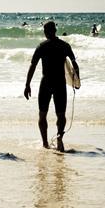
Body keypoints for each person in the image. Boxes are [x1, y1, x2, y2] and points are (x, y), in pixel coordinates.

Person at [24, 21, 80, 152]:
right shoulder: (65, 46)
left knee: (42, 115)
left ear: (46, 31)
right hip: (60, 84)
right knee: (61, 115)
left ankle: (45, 143)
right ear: (55, 30)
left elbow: (32, 66)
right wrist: (77, 81)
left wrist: (27, 85)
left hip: (46, 84)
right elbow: (74, 64)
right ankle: (60, 137)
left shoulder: (42, 46)